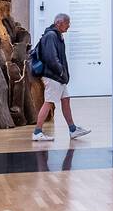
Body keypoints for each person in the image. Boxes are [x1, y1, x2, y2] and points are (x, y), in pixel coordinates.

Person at [32, 13, 90, 142]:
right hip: (53, 76)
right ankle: (37, 132)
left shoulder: (57, 35)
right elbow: (51, 58)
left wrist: (63, 74)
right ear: (59, 22)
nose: (69, 26)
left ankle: (72, 129)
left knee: (66, 100)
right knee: (49, 102)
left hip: (58, 77)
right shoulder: (51, 36)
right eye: (67, 23)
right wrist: (62, 73)